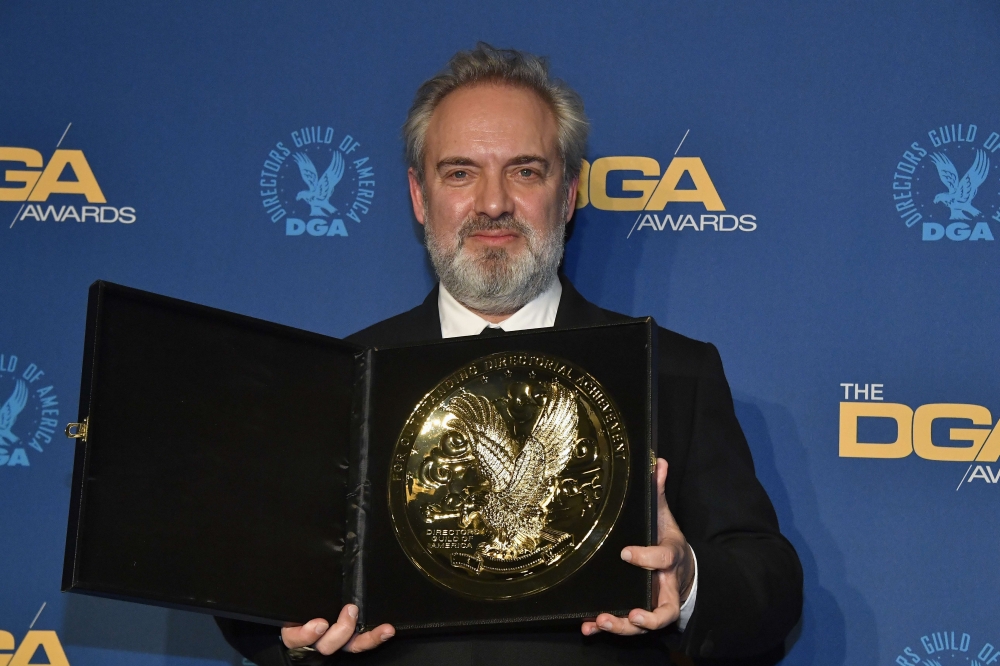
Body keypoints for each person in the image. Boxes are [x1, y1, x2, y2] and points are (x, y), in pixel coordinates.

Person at [217, 44, 802, 666]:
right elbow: (249, 590)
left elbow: (770, 590)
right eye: (460, 173)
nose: (493, 203)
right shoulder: (340, 377)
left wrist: (687, 582)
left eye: (525, 171)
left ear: (568, 193)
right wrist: (288, 631)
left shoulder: (672, 371)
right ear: (419, 196)